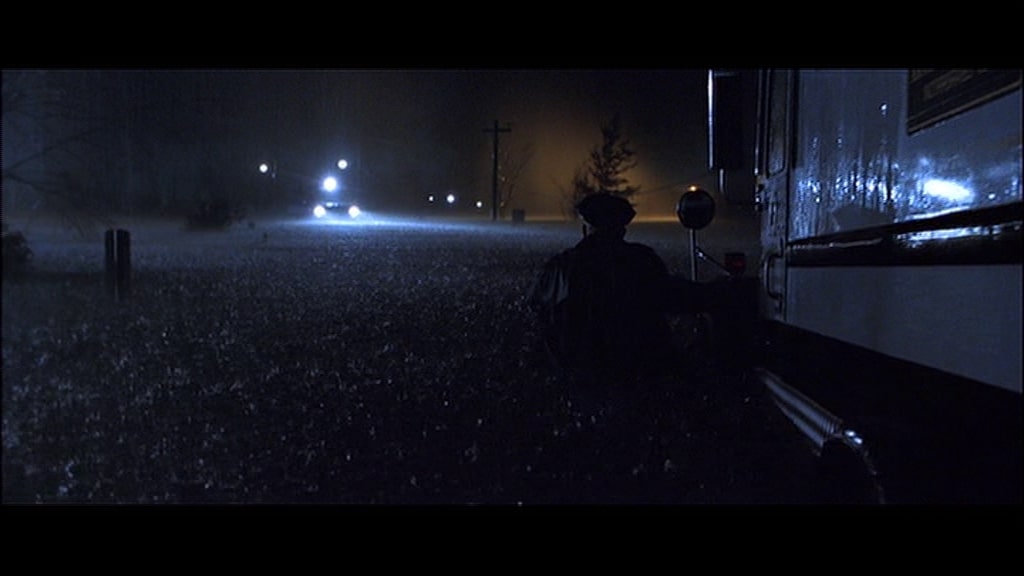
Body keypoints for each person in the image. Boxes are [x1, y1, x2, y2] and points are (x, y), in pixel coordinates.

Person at [527, 192, 692, 396]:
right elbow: (670, 298)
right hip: (638, 368)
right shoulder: (642, 260)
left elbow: (538, 305)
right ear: (622, 229)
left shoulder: (563, 266)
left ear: (585, 229)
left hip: (581, 369)